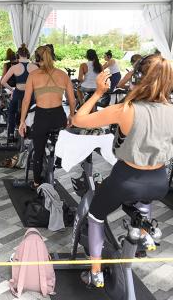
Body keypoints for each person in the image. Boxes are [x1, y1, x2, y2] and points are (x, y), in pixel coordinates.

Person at [72, 54, 173, 289]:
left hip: (126, 179)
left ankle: (95, 273)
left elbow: (79, 119)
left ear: (138, 77)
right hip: (159, 181)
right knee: (142, 203)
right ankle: (144, 229)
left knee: (96, 216)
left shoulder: (126, 109)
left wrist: (98, 92)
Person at [19, 45, 75, 188]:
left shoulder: (33, 75)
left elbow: (26, 100)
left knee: (38, 151)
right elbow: (72, 99)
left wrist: (22, 121)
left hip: (42, 116)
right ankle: (58, 158)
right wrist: (72, 115)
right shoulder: (63, 74)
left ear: (37, 59)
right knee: (58, 140)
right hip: (59, 116)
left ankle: (37, 182)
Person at [1, 44, 38, 140]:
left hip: (18, 92)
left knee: (11, 112)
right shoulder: (34, 67)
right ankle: (30, 134)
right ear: (28, 55)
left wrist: (11, 89)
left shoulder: (14, 67)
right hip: (30, 94)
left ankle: (10, 134)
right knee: (31, 113)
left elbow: (3, 82)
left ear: (18, 55)